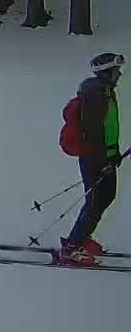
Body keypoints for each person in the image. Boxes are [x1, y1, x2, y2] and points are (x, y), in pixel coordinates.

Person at [63, 52, 126, 265]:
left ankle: (82, 238)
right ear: (106, 72)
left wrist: (114, 152)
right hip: (94, 158)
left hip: (104, 156)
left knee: (106, 196)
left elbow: (109, 126)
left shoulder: (106, 92)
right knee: (95, 202)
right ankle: (72, 246)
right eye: (116, 71)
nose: (119, 74)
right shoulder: (95, 95)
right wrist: (103, 160)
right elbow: (92, 132)